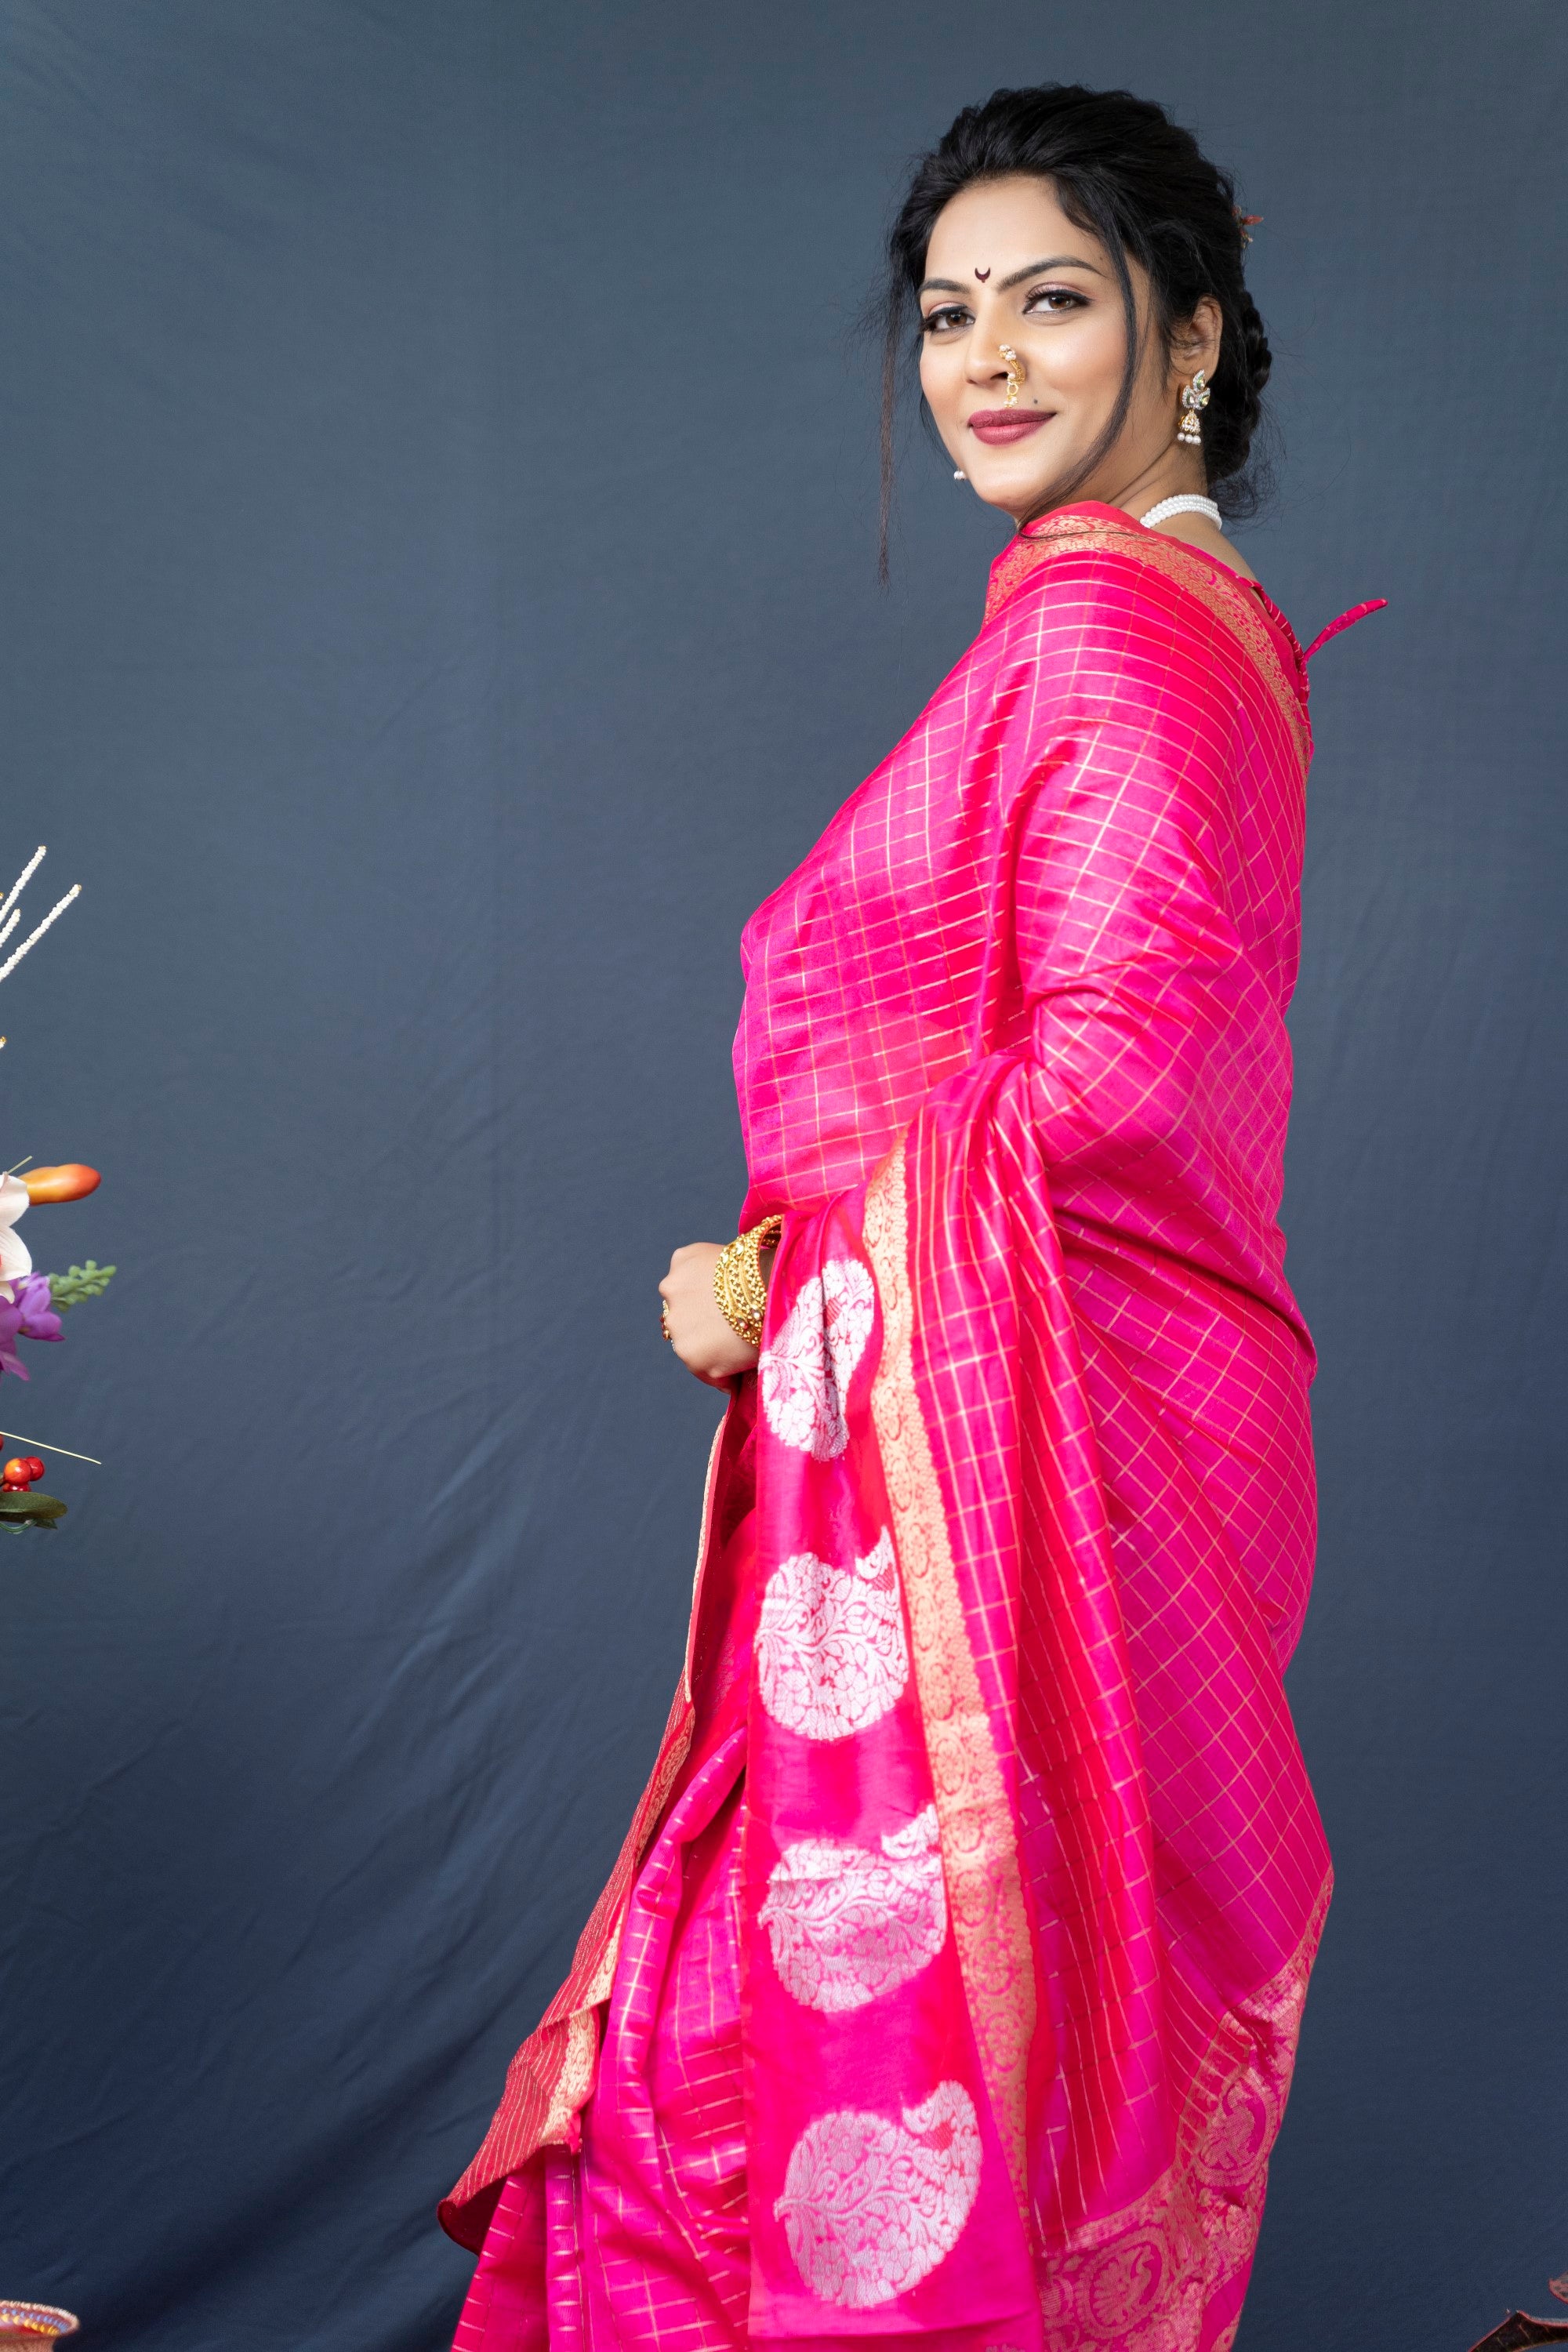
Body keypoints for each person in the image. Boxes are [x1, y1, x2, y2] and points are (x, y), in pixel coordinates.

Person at [442, 82, 1345, 2352]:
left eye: (1056, 302)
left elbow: (1118, 1075)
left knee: (774, 2073)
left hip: (1041, 1436)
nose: (990, 363)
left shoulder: (1118, 637)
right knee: (845, 2073)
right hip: (1047, 1419)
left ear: (1197, 336)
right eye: (951, 316)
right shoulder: (1155, 624)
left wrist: (786, 1281)